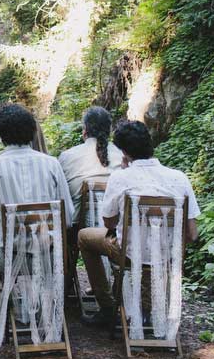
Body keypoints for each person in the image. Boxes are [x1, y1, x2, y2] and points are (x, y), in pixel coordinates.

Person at [0, 103, 73, 343]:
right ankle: (46, 317)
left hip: (10, 256)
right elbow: (69, 216)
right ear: (32, 131)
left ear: (0, 135)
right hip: (48, 254)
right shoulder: (52, 164)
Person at [78, 120, 200, 327]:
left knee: (84, 237)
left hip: (130, 253)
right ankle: (146, 305)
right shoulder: (179, 178)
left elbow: (109, 222)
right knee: (147, 253)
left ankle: (107, 308)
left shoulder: (121, 177)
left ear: (123, 151)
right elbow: (192, 234)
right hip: (167, 255)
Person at [58, 105, 122, 223]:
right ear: (109, 130)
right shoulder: (122, 156)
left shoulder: (67, 157)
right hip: (116, 228)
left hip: (76, 231)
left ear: (85, 130)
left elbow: (60, 196)